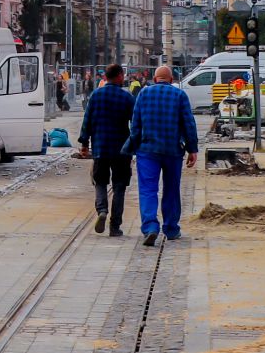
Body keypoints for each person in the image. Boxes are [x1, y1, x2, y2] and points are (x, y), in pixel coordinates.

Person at [129, 64, 199, 246]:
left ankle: (150, 227)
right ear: (171, 80)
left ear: (154, 79)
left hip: (147, 151)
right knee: (171, 189)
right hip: (173, 151)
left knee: (148, 190)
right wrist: (193, 149)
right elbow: (188, 124)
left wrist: (133, 148)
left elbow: (135, 124)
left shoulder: (143, 94)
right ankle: (171, 228)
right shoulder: (180, 95)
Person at [75, 63, 136, 237]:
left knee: (100, 182)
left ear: (105, 77)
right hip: (121, 149)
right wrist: (135, 144)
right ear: (118, 76)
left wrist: (85, 144)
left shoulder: (95, 95)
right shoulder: (127, 97)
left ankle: (102, 210)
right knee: (119, 187)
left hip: (100, 147)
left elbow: (87, 121)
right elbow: (136, 122)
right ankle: (115, 226)